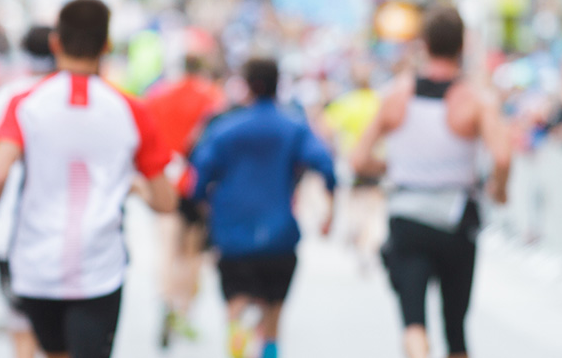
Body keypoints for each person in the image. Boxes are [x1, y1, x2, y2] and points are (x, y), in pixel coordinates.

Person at [0, 0, 178, 358]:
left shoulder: (25, 102)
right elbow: (165, 201)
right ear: (106, 45)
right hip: (100, 266)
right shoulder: (132, 110)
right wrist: (134, 189)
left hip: (35, 263)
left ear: (56, 42)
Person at [350, 7, 511, 358]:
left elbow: (358, 158)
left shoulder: (395, 96)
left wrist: (394, 166)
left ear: (423, 44)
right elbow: (501, 157)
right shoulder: (476, 101)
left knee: (413, 325)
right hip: (456, 219)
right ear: (462, 47)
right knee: (455, 330)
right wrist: (499, 190)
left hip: (407, 216)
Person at [191, 57, 337, 358]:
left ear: (245, 86)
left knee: (237, 303)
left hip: (233, 235)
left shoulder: (224, 129)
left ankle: (237, 346)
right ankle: (269, 349)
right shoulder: (294, 127)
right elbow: (326, 165)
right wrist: (329, 210)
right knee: (273, 315)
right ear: (277, 85)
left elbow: (198, 177)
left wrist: (203, 209)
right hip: (280, 234)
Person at [0, 25, 55, 358]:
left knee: (23, 332)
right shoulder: (80, 97)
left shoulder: (5, 98)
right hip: (72, 239)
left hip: (13, 236)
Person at [143, 55, 225, 347]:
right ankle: (184, 310)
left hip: (164, 178)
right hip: (197, 183)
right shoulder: (213, 97)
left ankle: (166, 299)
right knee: (192, 253)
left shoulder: (158, 95)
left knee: (166, 248)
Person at [322, 59, 385, 273]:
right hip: (377, 162)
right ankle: (368, 239)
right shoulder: (380, 101)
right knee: (374, 203)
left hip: (352, 161)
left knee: (355, 200)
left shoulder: (345, 102)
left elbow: (324, 129)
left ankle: (360, 238)